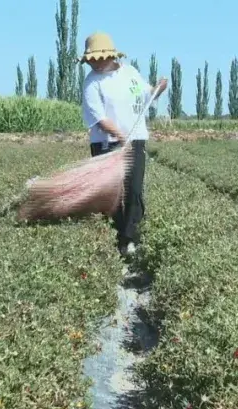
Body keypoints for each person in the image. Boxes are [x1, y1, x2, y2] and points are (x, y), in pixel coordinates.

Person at [79, 31, 167, 258]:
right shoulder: (91, 84)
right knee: (111, 194)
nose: (94, 63)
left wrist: (158, 90)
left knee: (134, 189)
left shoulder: (130, 74)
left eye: (98, 58)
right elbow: (99, 119)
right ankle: (113, 236)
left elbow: (144, 95)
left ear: (110, 55)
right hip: (107, 144)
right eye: (91, 59)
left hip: (135, 139)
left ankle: (130, 238)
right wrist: (119, 136)